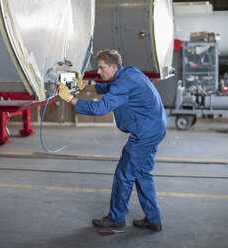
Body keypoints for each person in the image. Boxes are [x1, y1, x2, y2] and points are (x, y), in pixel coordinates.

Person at [57, 50, 169, 232]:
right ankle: (153, 219)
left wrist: (70, 99)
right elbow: (109, 87)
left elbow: (100, 108)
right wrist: (85, 86)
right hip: (157, 127)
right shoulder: (130, 73)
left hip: (145, 133)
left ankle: (116, 219)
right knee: (142, 173)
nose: (99, 72)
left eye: (101, 68)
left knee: (124, 174)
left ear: (113, 66)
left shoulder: (123, 83)